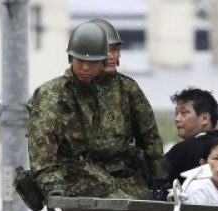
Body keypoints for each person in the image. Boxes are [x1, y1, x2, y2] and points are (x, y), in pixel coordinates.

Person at [27, 21, 168, 199]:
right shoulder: (53, 95)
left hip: (123, 174)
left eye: (92, 62)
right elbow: (43, 152)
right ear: (71, 58)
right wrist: (53, 187)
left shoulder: (126, 89)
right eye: (81, 61)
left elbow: (149, 136)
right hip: (77, 177)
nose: (86, 68)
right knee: (121, 207)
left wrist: (160, 177)